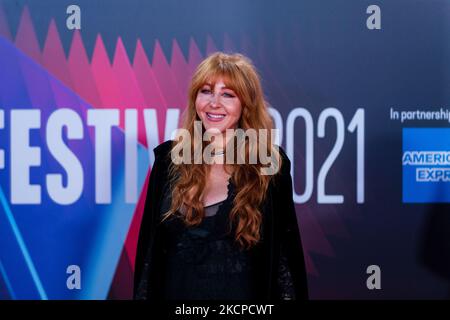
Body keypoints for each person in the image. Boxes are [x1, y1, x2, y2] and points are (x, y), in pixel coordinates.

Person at [134, 52, 308, 300]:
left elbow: (284, 263)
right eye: (206, 91)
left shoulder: (270, 167)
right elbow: (149, 261)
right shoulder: (168, 161)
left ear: (245, 104)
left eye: (228, 94)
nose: (214, 103)